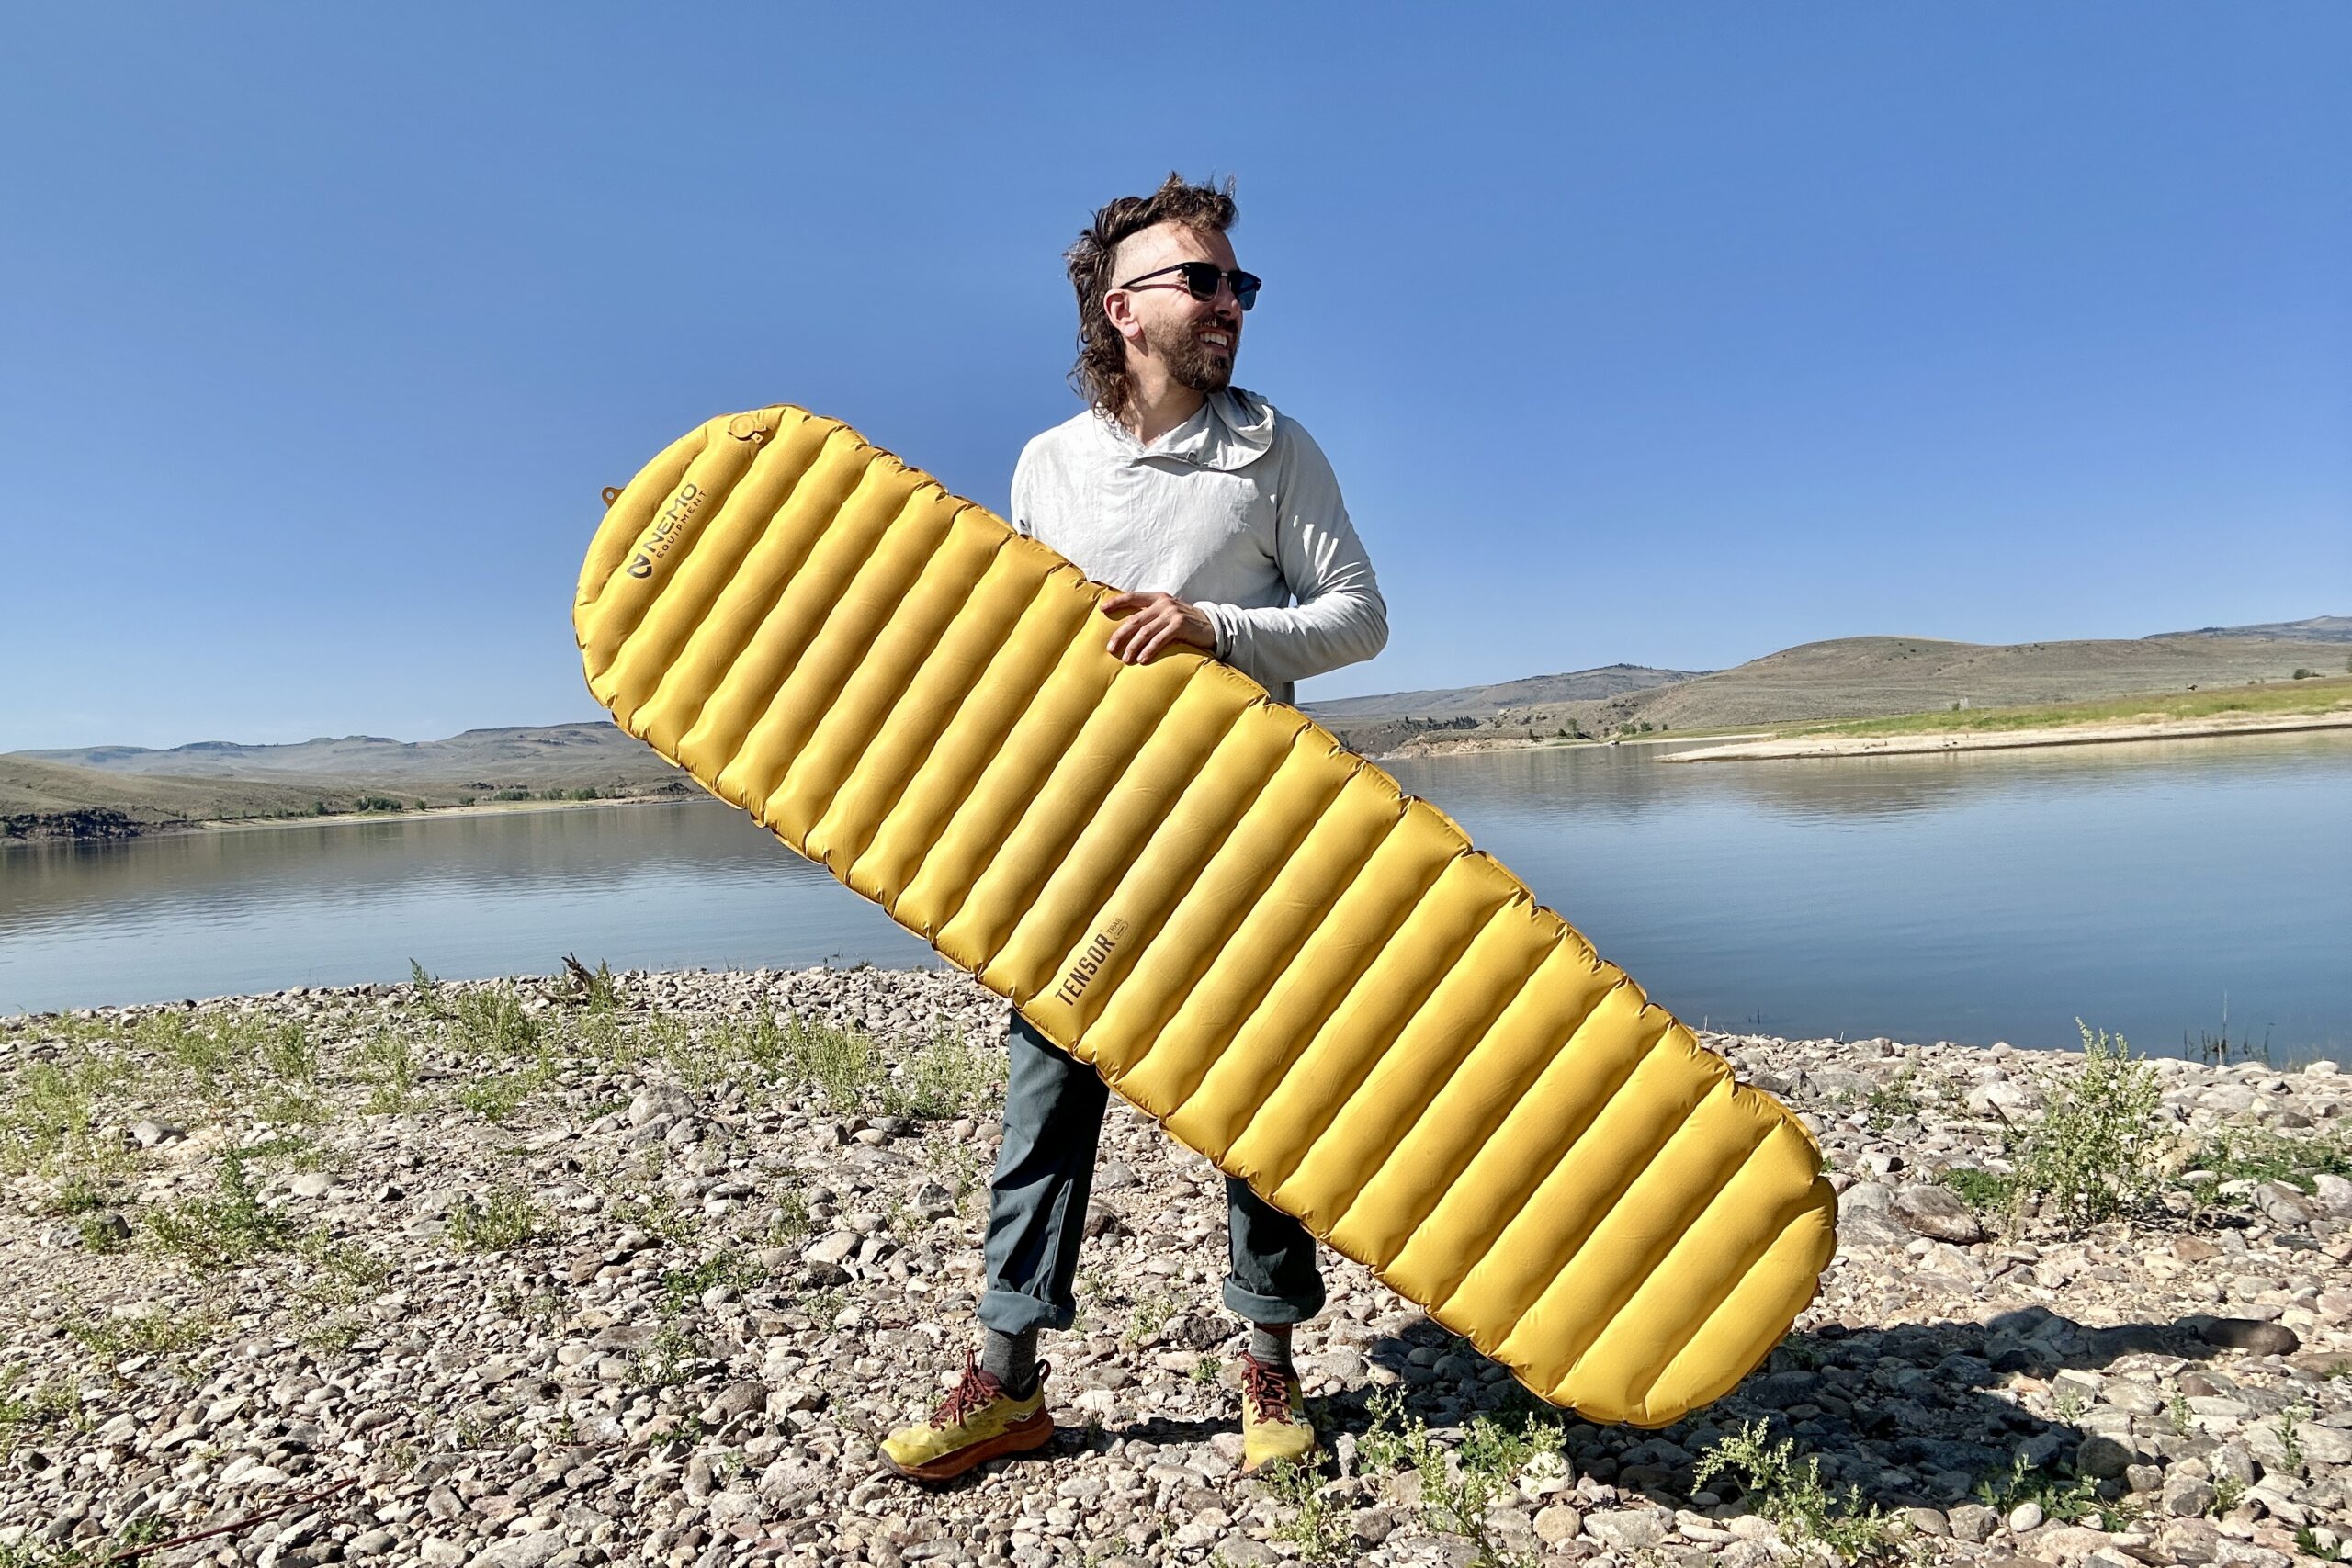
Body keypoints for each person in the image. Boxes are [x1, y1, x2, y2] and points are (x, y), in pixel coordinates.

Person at [880, 174, 1388, 1484]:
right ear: (1123, 310)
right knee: (1046, 1102)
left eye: (1239, 284)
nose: (1232, 303)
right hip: (1088, 841)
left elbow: (1358, 617)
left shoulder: (1279, 447)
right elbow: (1028, 663)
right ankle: (1004, 1381)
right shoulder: (1049, 465)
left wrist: (1216, 626)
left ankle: (1268, 1365)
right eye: (1203, 281)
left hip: (1243, 828)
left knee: (1257, 1098)